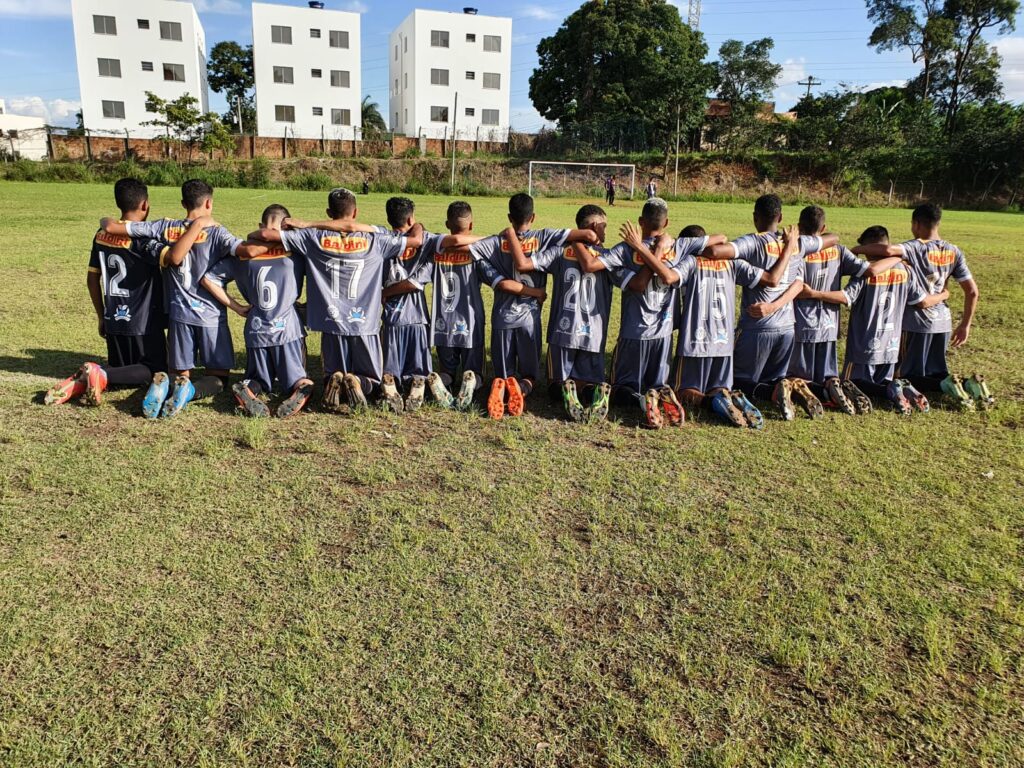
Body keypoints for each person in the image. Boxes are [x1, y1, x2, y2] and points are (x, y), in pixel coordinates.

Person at [99, 179, 261, 419]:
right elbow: (247, 251)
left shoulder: (164, 227)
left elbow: (112, 227)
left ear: (183, 203)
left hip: (178, 316)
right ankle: (191, 392)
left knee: (178, 373)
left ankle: (168, 386)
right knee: (218, 377)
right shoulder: (217, 232)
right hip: (210, 317)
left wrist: (104, 221)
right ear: (209, 202)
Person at [252, 187, 422, 413]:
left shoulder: (312, 237)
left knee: (331, 371)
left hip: (330, 320)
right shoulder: (376, 238)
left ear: (328, 213)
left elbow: (265, 235)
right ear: (356, 212)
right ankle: (359, 383)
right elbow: (416, 240)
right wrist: (418, 224)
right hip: (364, 322)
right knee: (371, 378)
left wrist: (308, 224)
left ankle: (336, 379)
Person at [703, 194, 838, 421]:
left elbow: (715, 252)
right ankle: (799, 388)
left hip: (758, 326)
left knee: (736, 380)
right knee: (776, 377)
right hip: (787, 327)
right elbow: (833, 238)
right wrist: (793, 243)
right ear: (781, 217)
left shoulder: (754, 242)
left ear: (756, 218)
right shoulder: (799, 243)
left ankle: (775, 392)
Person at [573, 198, 705, 429]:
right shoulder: (679, 247)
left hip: (634, 333)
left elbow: (593, 266)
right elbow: (719, 240)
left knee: (620, 388)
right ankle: (657, 396)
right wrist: (662, 247)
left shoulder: (624, 250)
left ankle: (642, 400)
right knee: (657, 383)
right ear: (667, 222)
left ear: (640, 221)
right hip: (663, 333)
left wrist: (576, 239)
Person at [469, 193, 598, 419]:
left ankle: (503, 386)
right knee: (530, 373)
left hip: (502, 318)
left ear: (510, 217)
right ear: (534, 216)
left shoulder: (496, 243)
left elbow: (469, 247)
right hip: (529, 318)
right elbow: (586, 233)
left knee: (503, 372)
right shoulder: (545, 237)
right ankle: (522, 388)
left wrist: (506, 235)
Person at [851, 203, 990, 410]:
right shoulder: (954, 251)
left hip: (916, 322)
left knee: (906, 375)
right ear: (938, 223)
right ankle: (967, 385)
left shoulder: (915, 246)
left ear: (916, 224)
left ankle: (946, 386)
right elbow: (972, 291)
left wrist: (857, 249)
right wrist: (965, 325)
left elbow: (889, 249)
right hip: (943, 321)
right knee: (935, 370)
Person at [46, 178, 169, 407]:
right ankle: (102, 375)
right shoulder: (143, 238)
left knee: (124, 370)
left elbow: (93, 278)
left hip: (114, 320)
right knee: (155, 370)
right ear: (145, 205)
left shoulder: (101, 233)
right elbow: (172, 258)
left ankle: (85, 379)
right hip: (142, 322)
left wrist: (101, 316)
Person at [670, 224, 801, 429]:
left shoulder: (690, 262)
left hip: (695, 341)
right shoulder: (733, 264)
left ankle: (712, 402)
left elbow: (670, 278)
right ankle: (730, 396)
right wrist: (789, 247)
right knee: (719, 385)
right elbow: (772, 279)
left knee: (681, 390)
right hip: (724, 342)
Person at [191, 204, 314, 419]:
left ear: (260, 226)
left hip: (257, 328)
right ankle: (301, 388)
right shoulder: (296, 253)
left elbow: (207, 279)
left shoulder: (243, 254)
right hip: (288, 329)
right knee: (298, 379)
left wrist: (237, 307)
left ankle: (247, 388)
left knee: (257, 379)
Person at [842, 226, 943, 414]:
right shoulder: (906, 270)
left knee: (850, 384)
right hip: (891, 346)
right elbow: (922, 301)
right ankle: (895, 386)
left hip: (864, 345)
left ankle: (888, 390)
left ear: (870, 248)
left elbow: (847, 297)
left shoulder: (866, 273)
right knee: (883, 381)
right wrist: (944, 294)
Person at [789, 205, 874, 414]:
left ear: (799, 227)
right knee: (826, 373)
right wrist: (848, 294)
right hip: (829, 324)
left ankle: (823, 390)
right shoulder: (839, 250)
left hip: (801, 324)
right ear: (824, 227)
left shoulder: (798, 251)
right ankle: (832, 385)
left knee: (799, 380)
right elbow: (865, 271)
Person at [546, 205, 614, 423]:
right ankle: (589, 391)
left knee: (555, 383)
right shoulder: (608, 256)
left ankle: (567, 389)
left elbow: (529, 263)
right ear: (594, 226)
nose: (606, 230)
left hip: (562, 331)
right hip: (593, 334)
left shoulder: (559, 251)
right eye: (604, 225)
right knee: (591, 380)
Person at [377, 197, 442, 412]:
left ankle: (390, 382)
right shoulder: (427, 240)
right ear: (411, 218)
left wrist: (383, 292)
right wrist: (420, 226)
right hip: (417, 316)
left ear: (388, 218)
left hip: (392, 317)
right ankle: (419, 383)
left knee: (389, 365)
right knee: (419, 367)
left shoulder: (381, 240)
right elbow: (415, 283)